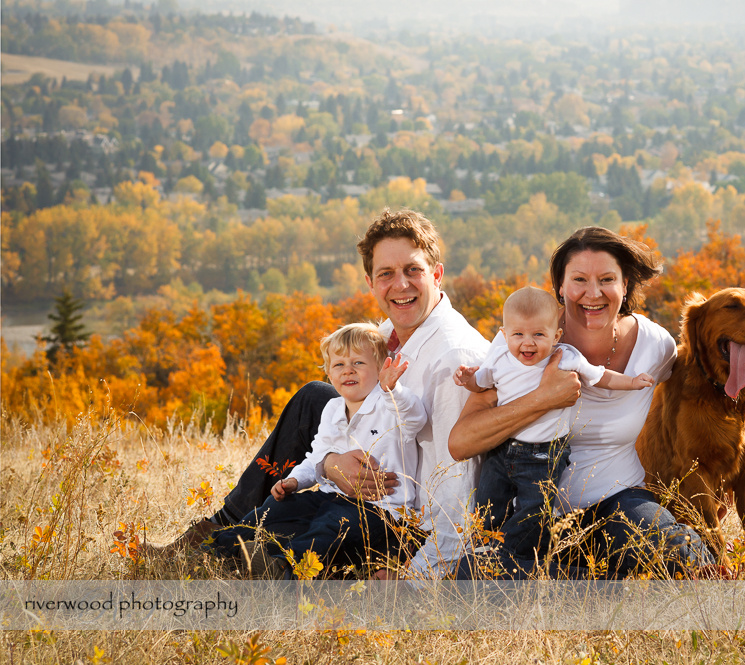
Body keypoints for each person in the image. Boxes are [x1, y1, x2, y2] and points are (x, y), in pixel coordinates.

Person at [153, 208, 490, 580]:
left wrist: (414, 577)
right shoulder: (390, 334)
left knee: (319, 527)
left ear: (437, 274)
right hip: (362, 480)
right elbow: (356, 416)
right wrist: (330, 461)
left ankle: (270, 560)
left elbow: (458, 487)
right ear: (370, 282)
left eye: (413, 270)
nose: (401, 285)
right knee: (315, 398)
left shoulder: (453, 360)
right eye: (386, 274)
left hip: (398, 518)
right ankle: (218, 534)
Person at [449, 227, 714, 579]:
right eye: (579, 279)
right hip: (532, 516)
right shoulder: (523, 341)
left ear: (625, 285)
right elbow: (461, 442)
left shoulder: (656, 346)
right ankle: (607, 586)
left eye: (607, 279)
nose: (593, 293)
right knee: (474, 574)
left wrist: (717, 484)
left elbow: (700, 397)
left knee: (668, 552)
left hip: (618, 502)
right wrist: (542, 399)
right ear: (560, 286)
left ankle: (563, 583)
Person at [452, 286, 654, 559]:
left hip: (542, 454)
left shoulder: (565, 356)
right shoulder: (498, 358)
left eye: (538, 334)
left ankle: (518, 553)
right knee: (490, 498)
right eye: (518, 334)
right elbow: (480, 383)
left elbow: (600, 376)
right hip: (502, 449)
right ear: (504, 334)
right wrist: (468, 379)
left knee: (535, 509)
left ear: (556, 335)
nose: (528, 343)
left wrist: (630, 382)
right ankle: (487, 546)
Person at [210, 323, 425, 575]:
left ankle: (284, 566)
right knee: (275, 509)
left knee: (329, 529)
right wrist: (294, 481)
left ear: (380, 368)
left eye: (358, 363)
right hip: (328, 496)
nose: (348, 370)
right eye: (339, 365)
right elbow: (316, 457)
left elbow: (415, 418)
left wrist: (393, 390)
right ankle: (222, 547)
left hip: (379, 510)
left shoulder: (390, 405)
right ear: (329, 374)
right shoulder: (333, 409)